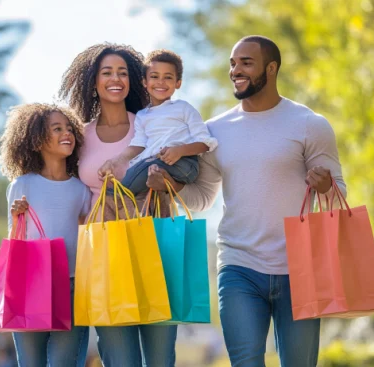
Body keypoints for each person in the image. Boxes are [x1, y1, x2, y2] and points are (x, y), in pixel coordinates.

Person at [147, 35, 347, 367]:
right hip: (239, 265)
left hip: (298, 266)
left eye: (246, 63)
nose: (236, 70)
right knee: (245, 362)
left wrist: (325, 185)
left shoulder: (310, 124)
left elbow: (339, 197)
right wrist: (171, 188)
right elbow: (204, 197)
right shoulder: (214, 131)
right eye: (232, 63)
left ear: (272, 68)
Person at [58, 42, 177, 367]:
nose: (116, 79)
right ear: (93, 81)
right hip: (104, 253)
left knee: (160, 358)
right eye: (107, 72)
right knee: (118, 358)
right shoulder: (80, 137)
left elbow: (182, 173)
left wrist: (165, 184)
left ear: (135, 80)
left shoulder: (151, 124)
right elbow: (67, 189)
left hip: (155, 243)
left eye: (123, 73)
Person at [0, 103, 91, 367]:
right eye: (57, 128)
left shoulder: (81, 189)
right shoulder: (23, 184)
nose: (67, 133)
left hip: (72, 286)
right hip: (30, 283)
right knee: (31, 363)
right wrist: (17, 217)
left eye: (69, 128)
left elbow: (86, 235)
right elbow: (16, 240)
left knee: (64, 363)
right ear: (37, 140)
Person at [98, 49, 217, 196]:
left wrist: (179, 151)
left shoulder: (184, 108)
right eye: (154, 76)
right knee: (139, 169)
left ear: (178, 83)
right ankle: (122, 196)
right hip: (155, 165)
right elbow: (138, 144)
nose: (161, 82)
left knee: (140, 172)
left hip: (184, 165)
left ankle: (117, 196)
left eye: (168, 77)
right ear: (145, 82)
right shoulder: (142, 116)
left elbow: (205, 143)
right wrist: (115, 161)